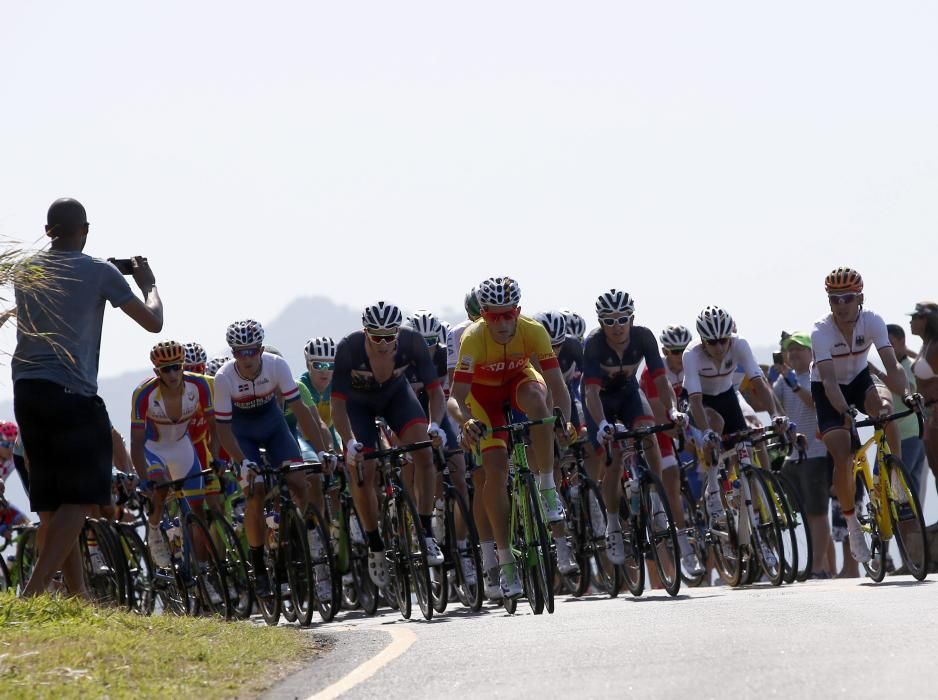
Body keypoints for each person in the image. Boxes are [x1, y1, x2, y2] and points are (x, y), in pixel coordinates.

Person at [13, 198, 162, 598]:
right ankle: (33, 592)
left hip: (26, 391)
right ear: (86, 229)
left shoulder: (25, 271)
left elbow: (62, 283)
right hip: (71, 393)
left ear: (47, 231)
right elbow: (153, 321)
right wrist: (147, 282)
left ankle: (79, 597)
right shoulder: (99, 273)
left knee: (52, 505)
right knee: (80, 499)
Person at [450, 277, 576, 598]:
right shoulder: (473, 339)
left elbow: (558, 386)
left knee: (539, 401)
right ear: (484, 314)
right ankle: (504, 563)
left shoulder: (533, 330)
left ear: (517, 311)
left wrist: (563, 419)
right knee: (494, 469)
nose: (504, 323)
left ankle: (546, 488)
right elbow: (456, 396)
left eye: (510, 314)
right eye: (495, 316)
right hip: (483, 399)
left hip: (520, 384)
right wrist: (466, 422)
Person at [332, 302, 450, 588]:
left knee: (424, 451)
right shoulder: (349, 348)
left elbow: (435, 392)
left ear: (398, 331)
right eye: (377, 336)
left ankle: (425, 531)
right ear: (365, 332)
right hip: (359, 408)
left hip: (397, 398)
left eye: (390, 335)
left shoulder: (412, 341)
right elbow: (337, 404)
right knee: (364, 471)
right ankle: (375, 545)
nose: (384, 342)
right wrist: (348, 442)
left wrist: (435, 425)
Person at [810, 267, 918, 564]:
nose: (840, 305)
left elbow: (892, 367)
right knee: (843, 455)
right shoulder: (821, 331)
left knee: (886, 409)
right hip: (827, 388)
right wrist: (845, 410)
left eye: (846, 298)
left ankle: (893, 477)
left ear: (859, 298)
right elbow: (830, 382)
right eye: (834, 299)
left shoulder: (872, 321)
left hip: (859, 378)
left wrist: (907, 394)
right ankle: (853, 525)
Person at [772, 332, 834, 577]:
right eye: (790, 349)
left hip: (817, 453)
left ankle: (817, 567)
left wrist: (794, 384)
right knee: (804, 514)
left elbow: (815, 404)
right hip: (792, 457)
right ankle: (820, 565)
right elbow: (770, 405)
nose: (794, 353)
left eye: (799, 348)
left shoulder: (814, 376)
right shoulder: (784, 381)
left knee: (818, 513)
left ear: (810, 352)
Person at [908, 302, 938, 503]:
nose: (910, 321)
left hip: (936, 412)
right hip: (927, 414)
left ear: (925, 319)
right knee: (935, 469)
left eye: (914, 317)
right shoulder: (926, 344)